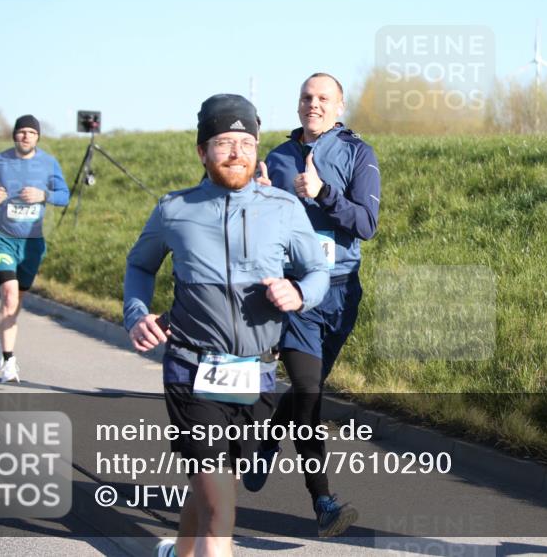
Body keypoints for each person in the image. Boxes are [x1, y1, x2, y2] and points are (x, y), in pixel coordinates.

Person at [124, 94, 329, 557]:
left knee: (216, 485)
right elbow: (139, 266)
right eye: (223, 143)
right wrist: (136, 314)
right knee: (220, 508)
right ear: (202, 151)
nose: (237, 153)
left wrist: (300, 293)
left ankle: (178, 552)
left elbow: (317, 270)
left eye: (246, 143)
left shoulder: (283, 208)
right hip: (190, 370)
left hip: (256, 374)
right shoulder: (174, 208)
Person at [247, 72, 380, 537]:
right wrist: (259, 200)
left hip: (340, 293)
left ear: (339, 106)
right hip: (296, 294)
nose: (314, 104)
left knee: (310, 388)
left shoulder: (358, 153)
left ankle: (268, 438)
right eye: (307, 97)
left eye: (324, 98)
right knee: (308, 391)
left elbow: (366, 224)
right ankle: (323, 501)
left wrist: (323, 193)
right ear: (298, 104)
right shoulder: (277, 158)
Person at [0, 114, 70, 383]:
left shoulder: (48, 163)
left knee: (16, 301)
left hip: (31, 244)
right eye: (21, 131)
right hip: (2, 238)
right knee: (9, 296)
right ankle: (9, 362)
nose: (26, 136)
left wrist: (44, 195)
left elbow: (64, 196)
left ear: (37, 137)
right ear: (14, 135)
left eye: (31, 132)